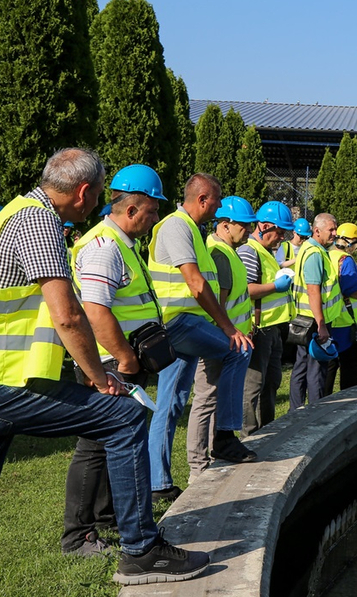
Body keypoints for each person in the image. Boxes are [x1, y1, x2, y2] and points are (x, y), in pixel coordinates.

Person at [0, 149, 208, 595]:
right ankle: (140, 551)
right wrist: (101, 378)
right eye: (97, 197)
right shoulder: (39, 224)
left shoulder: (16, 212)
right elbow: (70, 316)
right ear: (84, 192)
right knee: (126, 416)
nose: (96, 207)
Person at [62, 164, 165, 557]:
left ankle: (107, 519)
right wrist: (125, 359)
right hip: (108, 363)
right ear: (132, 209)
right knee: (93, 447)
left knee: (111, 445)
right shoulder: (105, 247)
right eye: (153, 211)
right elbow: (96, 311)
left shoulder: (121, 243)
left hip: (118, 361)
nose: (156, 219)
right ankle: (78, 536)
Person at [147, 174, 254, 502]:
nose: (219, 207)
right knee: (238, 350)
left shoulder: (193, 230)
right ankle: (224, 437)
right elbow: (195, 284)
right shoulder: (176, 226)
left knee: (170, 403)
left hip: (184, 326)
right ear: (203, 198)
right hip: (179, 324)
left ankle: (158, 483)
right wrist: (227, 328)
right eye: (217, 201)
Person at [187, 196, 258, 480]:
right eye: (244, 225)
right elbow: (220, 302)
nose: (249, 231)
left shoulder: (227, 251)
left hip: (228, 338)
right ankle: (198, 466)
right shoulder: (220, 254)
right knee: (206, 397)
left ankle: (216, 452)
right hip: (222, 340)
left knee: (212, 397)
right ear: (225, 225)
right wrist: (229, 333)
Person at [238, 201, 295, 436]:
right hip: (257, 329)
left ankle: (268, 430)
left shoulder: (265, 252)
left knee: (270, 383)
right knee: (253, 385)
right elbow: (248, 290)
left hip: (272, 329)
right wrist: (276, 286)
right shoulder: (249, 251)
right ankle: (249, 435)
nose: (282, 238)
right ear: (263, 226)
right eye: (279, 232)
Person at [290, 213, 342, 404]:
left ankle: (295, 412)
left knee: (301, 367)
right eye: (331, 229)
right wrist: (321, 325)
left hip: (305, 318)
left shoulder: (309, 248)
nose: (335, 233)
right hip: (314, 321)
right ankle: (315, 411)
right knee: (316, 370)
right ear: (317, 230)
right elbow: (313, 291)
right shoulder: (315, 253)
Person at [325, 222, 357, 390]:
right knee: (350, 370)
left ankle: (323, 404)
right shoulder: (347, 260)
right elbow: (351, 289)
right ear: (352, 242)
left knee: (329, 368)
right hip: (349, 322)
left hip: (333, 318)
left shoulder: (328, 255)